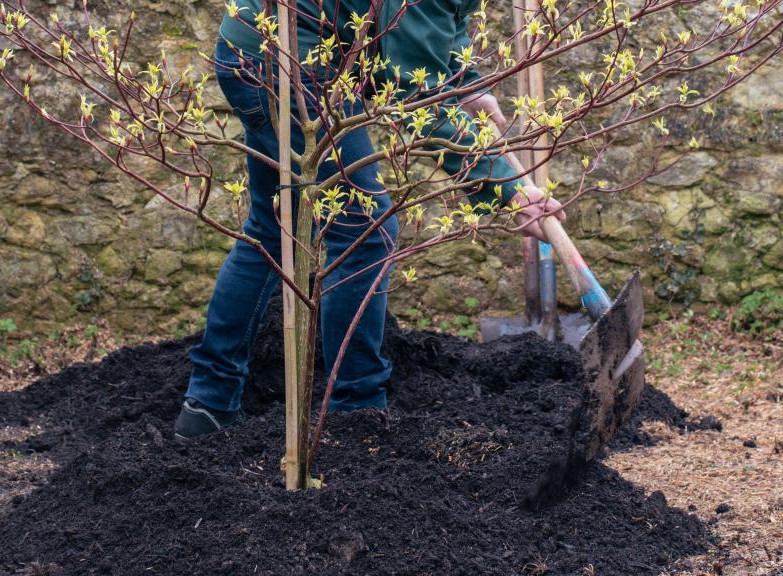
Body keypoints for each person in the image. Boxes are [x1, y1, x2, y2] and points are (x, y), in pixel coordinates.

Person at [174, 0, 565, 439]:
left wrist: (466, 84)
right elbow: (415, 96)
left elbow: (443, 27)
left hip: (252, 47)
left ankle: (208, 403)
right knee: (366, 232)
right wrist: (508, 191)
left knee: (273, 226)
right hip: (290, 63)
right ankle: (355, 415)